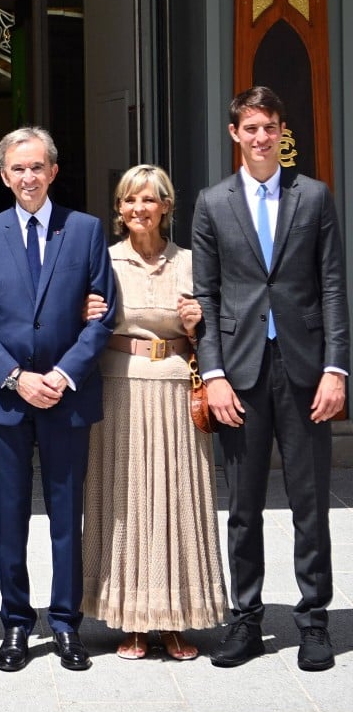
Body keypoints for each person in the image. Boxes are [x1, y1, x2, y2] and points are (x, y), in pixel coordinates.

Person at [192, 86, 349, 671]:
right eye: (251, 128)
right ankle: (246, 619)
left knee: (310, 504)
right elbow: (206, 294)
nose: (261, 138)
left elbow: (332, 285)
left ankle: (313, 622)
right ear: (234, 133)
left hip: (307, 371)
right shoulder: (212, 202)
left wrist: (337, 369)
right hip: (241, 372)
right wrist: (213, 374)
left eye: (271, 128)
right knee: (244, 505)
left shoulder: (313, 196)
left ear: (282, 133)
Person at [0, 126, 116, 672]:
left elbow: (103, 317)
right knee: (9, 517)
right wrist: (16, 376)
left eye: (37, 167)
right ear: (4, 177)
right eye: (17, 169)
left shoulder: (87, 230)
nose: (28, 177)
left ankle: (67, 624)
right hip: (5, 400)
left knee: (67, 513)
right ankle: (17, 624)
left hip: (67, 397)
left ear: (53, 171)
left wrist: (63, 374)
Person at [81, 164, 227, 661]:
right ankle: (130, 620)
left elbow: (219, 326)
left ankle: (176, 620)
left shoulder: (190, 261)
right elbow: (81, 319)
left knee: (176, 498)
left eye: (149, 200)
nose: (138, 209)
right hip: (119, 388)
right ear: (119, 210)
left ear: (167, 206)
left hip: (176, 391)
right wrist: (83, 311)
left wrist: (198, 321)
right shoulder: (104, 260)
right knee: (126, 500)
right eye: (129, 200)